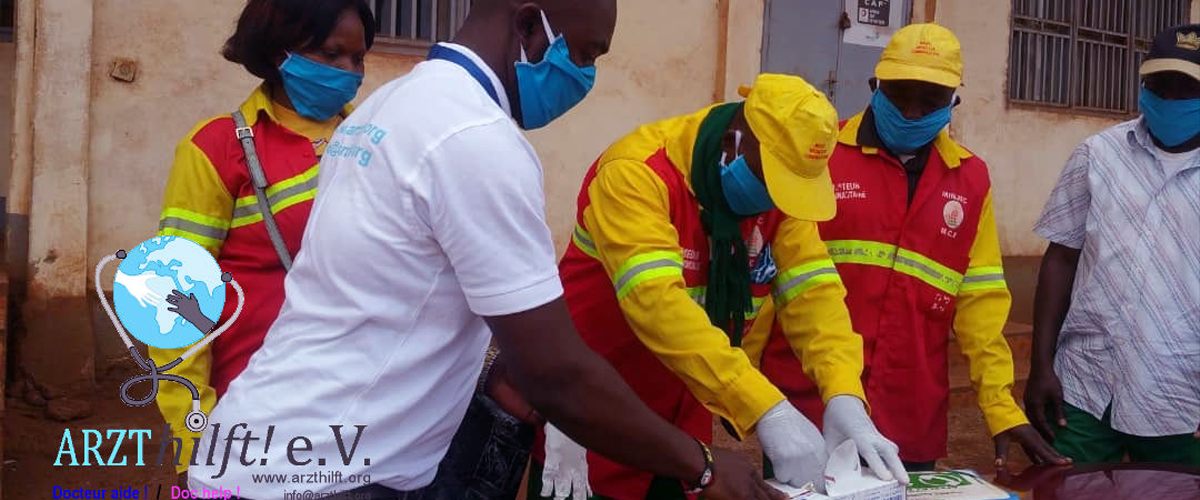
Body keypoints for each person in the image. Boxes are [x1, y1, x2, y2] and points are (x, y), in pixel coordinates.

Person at [185, 1, 784, 499]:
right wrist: (703, 466)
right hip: (327, 471)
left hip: (260, 444)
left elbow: (390, 294)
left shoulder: (390, 104)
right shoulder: (475, 139)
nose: (585, 77)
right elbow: (555, 373)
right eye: (584, 54)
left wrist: (491, 370)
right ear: (528, 25)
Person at [527, 73, 908, 500]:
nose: (776, 202)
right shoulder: (636, 175)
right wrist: (766, 407)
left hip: (685, 424)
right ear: (733, 143)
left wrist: (843, 394)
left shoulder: (777, 194)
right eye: (774, 183)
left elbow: (814, 295)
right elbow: (657, 306)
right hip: (599, 413)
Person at [752, 23, 1068, 472]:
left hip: (908, 415)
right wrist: (750, 390)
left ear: (953, 103)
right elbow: (771, 280)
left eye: (931, 100)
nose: (912, 111)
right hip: (810, 407)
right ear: (874, 87)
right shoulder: (819, 158)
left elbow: (981, 304)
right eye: (899, 95)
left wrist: (1001, 409)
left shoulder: (971, 181)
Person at [150, 0, 374, 487]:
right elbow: (175, 297)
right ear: (279, 52)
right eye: (331, 54)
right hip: (249, 405)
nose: (350, 72)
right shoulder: (217, 148)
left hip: (358, 406)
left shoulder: (377, 143)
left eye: (358, 58)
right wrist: (192, 430)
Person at [1025, 23, 1200, 466]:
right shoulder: (1097, 154)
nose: (1170, 99)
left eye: (1187, 89)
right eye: (1159, 85)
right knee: (1062, 489)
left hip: (1182, 399)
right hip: (1084, 388)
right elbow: (1061, 258)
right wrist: (1041, 364)